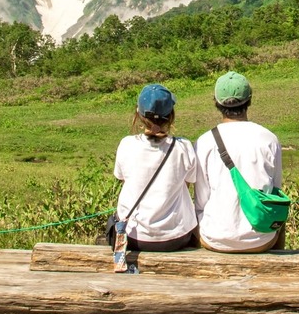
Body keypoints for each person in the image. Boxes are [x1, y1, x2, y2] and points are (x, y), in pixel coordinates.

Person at [194, 71, 285, 252]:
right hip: (260, 239)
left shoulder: (204, 141)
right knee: (280, 219)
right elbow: (275, 190)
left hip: (214, 238)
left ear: (216, 102)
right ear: (249, 100)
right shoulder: (269, 138)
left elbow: (201, 200)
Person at [113, 83, 198, 251]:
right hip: (175, 237)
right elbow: (187, 184)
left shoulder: (126, 145)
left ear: (138, 114)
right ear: (171, 116)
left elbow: (124, 181)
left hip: (133, 235)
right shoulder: (183, 147)